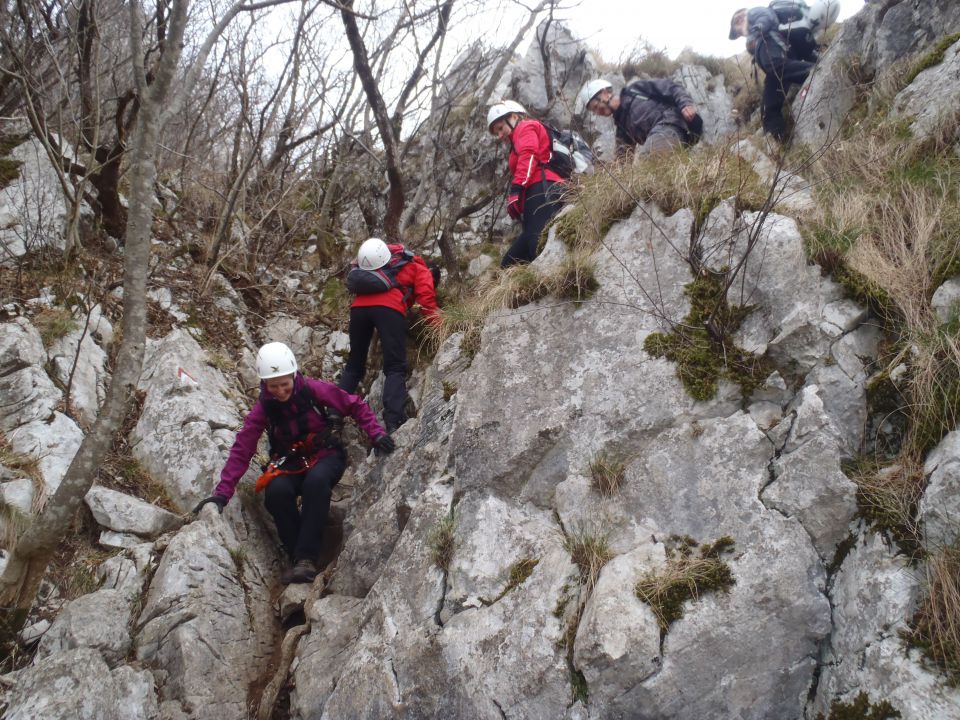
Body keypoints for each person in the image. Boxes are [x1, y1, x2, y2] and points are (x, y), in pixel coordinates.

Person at [194, 342, 395, 584]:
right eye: (273, 386)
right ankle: (298, 557)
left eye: (284, 384)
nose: (279, 391)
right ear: (264, 384)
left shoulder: (312, 389)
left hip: (327, 455)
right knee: (276, 493)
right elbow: (242, 448)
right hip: (289, 461)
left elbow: (353, 403)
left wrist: (377, 434)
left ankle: (307, 559)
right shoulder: (264, 408)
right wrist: (222, 494)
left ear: (293, 375)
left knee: (317, 482)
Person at [338, 238, 441, 434]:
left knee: (354, 365)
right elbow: (426, 300)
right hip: (389, 309)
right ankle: (394, 419)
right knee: (395, 367)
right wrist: (440, 328)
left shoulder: (387, 263)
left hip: (358, 309)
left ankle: (334, 412)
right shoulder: (420, 269)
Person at [487, 100, 566, 268]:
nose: (500, 135)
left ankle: (556, 279)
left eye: (501, 128)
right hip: (538, 192)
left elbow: (529, 156)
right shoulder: (518, 137)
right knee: (509, 262)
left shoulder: (525, 127)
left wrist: (516, 190)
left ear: (514, 116)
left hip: (542, 188)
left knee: (537, 245)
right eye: (497, 133)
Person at [729, 6, 818, 141]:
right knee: (767, 108)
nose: (740, 19)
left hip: (777, 48)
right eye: (736, 21)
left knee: (776, 66)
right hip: (777, 64)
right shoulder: (753, 35)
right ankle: (777, 141)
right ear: (738, 33)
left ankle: (816, 71)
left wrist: (757, 29)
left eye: (741, 15)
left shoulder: (754, 13)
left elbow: (767, 17)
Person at [576, 78, 701, 156]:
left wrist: (685, 104)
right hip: (664, 139)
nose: (598, 112)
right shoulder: (622, 128)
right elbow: (622, 157)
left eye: (596, 106)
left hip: (670, 124)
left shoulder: (635, 90)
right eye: (594, 110)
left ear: (604, 93)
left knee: (647, 159)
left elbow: (671, 87)